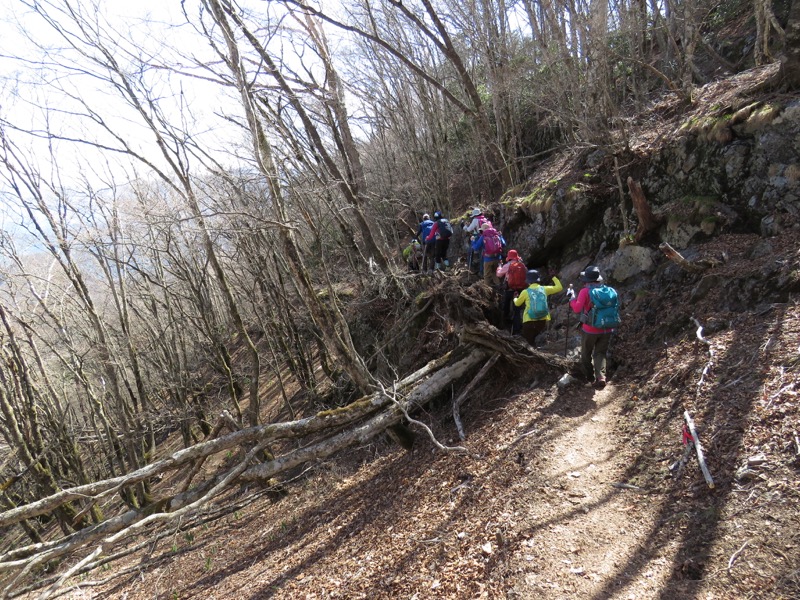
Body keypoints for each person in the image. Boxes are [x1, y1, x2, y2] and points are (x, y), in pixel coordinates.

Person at [568, 265, 617, 389]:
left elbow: (577, 308)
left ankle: (589, 378)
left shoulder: (585, 291)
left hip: (590, 329)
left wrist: (572, 298)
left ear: (586, 280)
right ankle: (601, 377)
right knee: (600, 353)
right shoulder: (608, 290)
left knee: (586, 353)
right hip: (607, 327)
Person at [514, 269, 563, 347]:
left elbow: (517, 304)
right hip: (542, 320)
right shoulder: (544, 289)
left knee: (528, 343)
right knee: (537, 340)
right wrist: (553, 277)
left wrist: (515, 298)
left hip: (529, 321)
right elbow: (559, 287)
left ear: (528, 281)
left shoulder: (525, 292)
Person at [496, 249, 527, 334]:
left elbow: (499, 274)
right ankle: (516, 329)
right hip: (519, 290)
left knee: (506, 306)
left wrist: (499, 267)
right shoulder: (522, 265)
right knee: (517, 310)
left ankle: (504, 324)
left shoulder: (508, 265)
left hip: (509, 290)